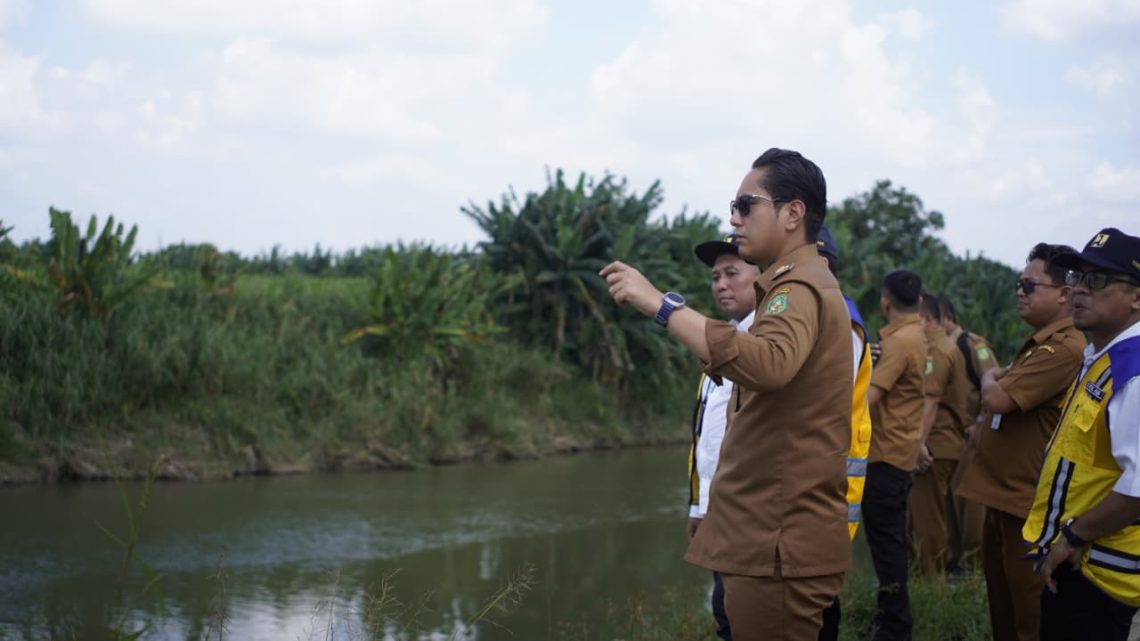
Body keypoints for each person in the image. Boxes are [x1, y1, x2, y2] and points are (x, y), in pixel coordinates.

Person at [600, 148, 853, 640]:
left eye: (745, 204)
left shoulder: (797, 286)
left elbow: (769, 363)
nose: (733, 219)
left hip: (778, 540)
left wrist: (661, 304)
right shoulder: (792, 285)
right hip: (765, 534)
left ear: (792, 212)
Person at [955, 242, 1085, 641]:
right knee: (1005, 614)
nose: (1019, 292)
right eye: (1018, 284)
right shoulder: (1040, 344)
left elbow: (995, 396)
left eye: (1029, 285)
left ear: (1064, 293)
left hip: (1027, 505)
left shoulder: (1065, 348)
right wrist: (998, 376)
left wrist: (994, 376)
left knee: (1029, 618)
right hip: (1005, 499)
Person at [1024, 228, 1140, 641]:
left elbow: (1137, 487)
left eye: (1099, 280)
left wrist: (1073, 536)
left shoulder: (1134, 372)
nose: (1080, 291)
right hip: (1078, 564)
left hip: (1099, 572)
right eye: (1078, 278)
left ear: (1137, 298)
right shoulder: (1100, 358)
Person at [688, 233, 760, 641]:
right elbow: (709, 437)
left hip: (748, 516)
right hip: (720, 509)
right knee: (725, 613)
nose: (721, 285)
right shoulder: (723, 342)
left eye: (732, 273)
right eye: (716, 277)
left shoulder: (762, 345)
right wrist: (700, 504)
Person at [815, 226, 874, 641]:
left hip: (829, 490)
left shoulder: (837, 318)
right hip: (823, 488)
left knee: (817, 603)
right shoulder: (823, 312)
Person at [862, 269, 927, 641]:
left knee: (886, 545)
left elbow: (869, 398)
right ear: (918, 302)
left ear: (885, 303)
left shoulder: (900, 343)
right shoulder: (915, 336)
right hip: (900, 450)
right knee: (891, 542)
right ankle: (892, 618)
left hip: (885, 455)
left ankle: (894, 625)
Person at [909, 293, 970, 576]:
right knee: (926, 516)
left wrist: (918, 444)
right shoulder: (941, 347)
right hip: (940, 443)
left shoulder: (939, 350)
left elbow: (930, 400)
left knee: (928, 520)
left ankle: (930, 583)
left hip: (934, 446)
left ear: (928, 319)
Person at [938, 295, 999, 574]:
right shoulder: (941, 348)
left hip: (973, 434)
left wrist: (980, 423)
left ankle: (974, 562)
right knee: (950, 498)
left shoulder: (973, 345)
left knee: (970, 500)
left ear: (946, 319)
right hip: (952, 435)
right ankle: (955, 557)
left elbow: (995, 385)